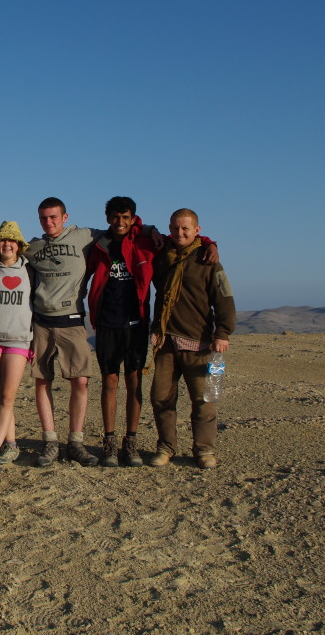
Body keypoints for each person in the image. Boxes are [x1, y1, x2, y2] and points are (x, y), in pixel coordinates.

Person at [87, 197, 218, 467]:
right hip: (108, 323)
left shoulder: (147, 241)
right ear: (107, 218)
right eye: (115, 217)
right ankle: (110, 442)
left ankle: (131, 441)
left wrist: (208, 242)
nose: (120, 222)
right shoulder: (98, 243)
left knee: (134, 381)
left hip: (137, 323)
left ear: (133, 218)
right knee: (109, 382)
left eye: (125, 217)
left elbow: (182, 243)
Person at [148, 209, 235, 469]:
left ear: (197, 230)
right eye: (175, 228)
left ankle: (204, 450)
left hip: (200, 344)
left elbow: (224, 299)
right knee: (161, 398)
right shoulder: (162, 256)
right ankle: (166, 447)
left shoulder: (208, 260)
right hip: (166, 342)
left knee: (205, 400)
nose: (180, 233)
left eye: (186, 228)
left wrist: (223, 332)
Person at [23, 198, 103, 468]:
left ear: (65, 217)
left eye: (54, 217)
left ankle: (76, 442)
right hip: (41, 323)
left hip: (72, 321)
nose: (49, 222)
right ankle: (50, 442)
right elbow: (2, 249)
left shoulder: (84, 236)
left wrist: (149, 230)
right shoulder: (32, 247)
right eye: (44, 218)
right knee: (42, 381)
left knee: (80, 382)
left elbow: (123, 230)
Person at [0, 221, 33, 475]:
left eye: (12, 240)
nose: (7, 244)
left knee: (7, 397)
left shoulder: (29, 270)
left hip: (18, 340)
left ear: (19, 245)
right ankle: (11, 444)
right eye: (2, 240)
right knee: (1, 397)